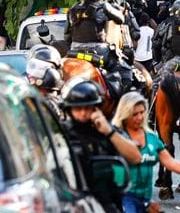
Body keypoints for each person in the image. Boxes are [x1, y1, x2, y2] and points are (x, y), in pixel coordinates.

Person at [112, 92, 180, 212]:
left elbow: (169, 161)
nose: (140, 117)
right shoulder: (115, 137)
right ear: (125, 114)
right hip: (122, 199)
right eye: (134, 114)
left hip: (145, 200)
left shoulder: (151, 138)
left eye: (142, 112)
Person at [61, 78, 142, 213]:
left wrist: (108, 131)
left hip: (106, 200)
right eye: (78, 108)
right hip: (71, 201)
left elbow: (136, 157)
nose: (83, 113)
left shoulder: (107, 130)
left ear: (96, 108)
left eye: (87, 108)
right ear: (69, 109)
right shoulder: (61, 133)